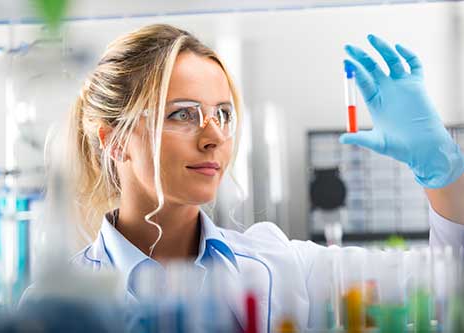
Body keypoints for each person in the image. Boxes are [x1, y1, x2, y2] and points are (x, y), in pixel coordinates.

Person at [62, 24, 463, 331]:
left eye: (223, 114)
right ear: (114, 141)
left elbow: (450, 286)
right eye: (182, 113)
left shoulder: (283, 267)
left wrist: (443, 168)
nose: (214, 136)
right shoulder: (58, 305)